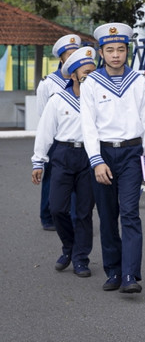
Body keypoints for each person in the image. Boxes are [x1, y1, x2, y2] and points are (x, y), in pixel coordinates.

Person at [80, 23, 145, 294]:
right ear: (101, 52)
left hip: (131, 153)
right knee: (108, 215)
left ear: (127, 51)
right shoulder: (91, 83)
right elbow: (87, 126)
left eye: (121, 49)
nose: (115, 55)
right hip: (103, 153)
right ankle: (113, 270)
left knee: (130, 213)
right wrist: (96, 161)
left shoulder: (139, 81)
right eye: (110, 50)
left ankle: (130, 275)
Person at [32, 47, 97, 278]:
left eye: (92, 71)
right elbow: (45, 131)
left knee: (84, 212)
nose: (89, 75)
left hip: (89, 157)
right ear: (73, 75)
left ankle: (81, 258)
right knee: (57, 208)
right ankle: (68, 246)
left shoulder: (99, 99)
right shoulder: (59, 99)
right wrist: (38, 161)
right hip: (63, 154)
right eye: (84, 72)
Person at [36, 34, 81, 230]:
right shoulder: (48, 83)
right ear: (61, 58)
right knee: (51, 178)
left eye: (75, 54)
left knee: (77, 181)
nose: (72, 59)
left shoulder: (85, 79)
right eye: (68, 55)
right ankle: (47, 216)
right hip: (55, 139)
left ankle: (73, 217)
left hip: (78, 138)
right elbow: (42, 115)